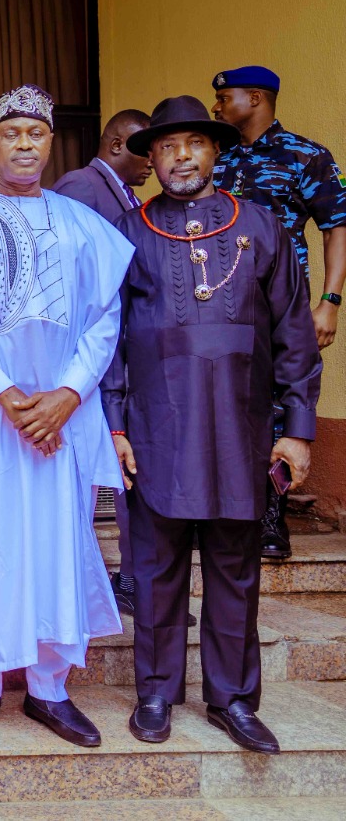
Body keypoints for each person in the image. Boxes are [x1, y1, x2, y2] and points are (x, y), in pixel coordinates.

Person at [103, 95, 320, 755]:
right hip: (155, 434)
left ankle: (232, 699)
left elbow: (294, 332)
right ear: (153, 159)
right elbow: (105, 338)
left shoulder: (258, 226)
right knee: (156, 570)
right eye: (166, 148)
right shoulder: (128, 234)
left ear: (215, 152)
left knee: (235, 573)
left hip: (241, 433)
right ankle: (156, 692)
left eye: (193, 144)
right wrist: (112, 426)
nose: (180, 158)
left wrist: (298, 428)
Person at [0, 84, 133, 747]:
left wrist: (66, 395)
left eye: (35, 135)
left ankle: (48, 688)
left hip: (57, 422)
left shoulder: (81, 225)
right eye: (10, 134)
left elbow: (107, 319)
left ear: (50, 144)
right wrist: (7, 396)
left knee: (55, 543)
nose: (23, 146)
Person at [210, 65, 346, 560]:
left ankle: (271, 516)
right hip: (217, 303)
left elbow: (338, 226)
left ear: (257, 98)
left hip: (280, 305)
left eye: (225, 98)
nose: (218, 107)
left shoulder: (305, 156)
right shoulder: (215, 155)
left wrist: (329, 302)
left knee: (282, 401)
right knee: (223, 397)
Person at [53, 107, 151, 617]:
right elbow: (65, 275)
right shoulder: (80, 186)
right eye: (144, 147)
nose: (154, 159)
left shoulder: (128, 194)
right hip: (93, 361)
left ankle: (134, 577)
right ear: (115, 144)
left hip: (126, 352)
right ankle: (101, 579)